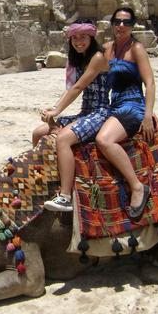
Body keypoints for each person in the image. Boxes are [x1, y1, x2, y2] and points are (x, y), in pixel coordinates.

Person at [37, 20, 110, 212]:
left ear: (91, 38)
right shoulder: (79, 59)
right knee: (38, 133)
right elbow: (70, 88)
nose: (78, 41)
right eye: (75, 38)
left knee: (63, 139)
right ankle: (47, 179)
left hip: (100, 112)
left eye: (83, 37)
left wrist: (56, 111)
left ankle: (65, 196)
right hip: (85, 112)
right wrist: (53, 108)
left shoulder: (97, 57)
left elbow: (78, 87)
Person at [95, 7, 155, 220]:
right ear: (112, 24)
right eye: (118, 21)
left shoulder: (136, 48)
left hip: (132, 105)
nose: (121, 26)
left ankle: (137, 187)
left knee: (104, 140)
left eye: (126, 23)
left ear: (132, 26)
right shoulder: (106, 49)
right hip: (113, 106)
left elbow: (149, 83)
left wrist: (147, 116)